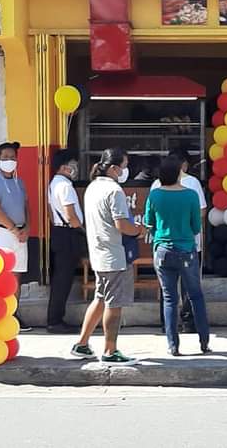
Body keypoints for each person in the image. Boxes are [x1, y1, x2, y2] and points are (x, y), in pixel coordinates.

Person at [71, 147, 143, 364]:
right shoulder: (114, 191)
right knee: (114, 303)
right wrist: (139, 229)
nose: (125, 170)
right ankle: (110, 351)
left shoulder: (93, 187)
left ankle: (82, 344)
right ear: (113, 168)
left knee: (101, 298)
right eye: (124, 166)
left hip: (99, 252)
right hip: (114, 254)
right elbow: (122, 225)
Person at [145, 155, 211, 356]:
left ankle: (173, 345)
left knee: (169, 298)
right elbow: (195, 226)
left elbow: (150, 224)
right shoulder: (190, 195)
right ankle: (203, 342)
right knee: (196, 295)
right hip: (187, 249)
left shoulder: (154, 195)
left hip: (162, 249)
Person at [0, 141, 31, 332]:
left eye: (12, 158)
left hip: (20, 233)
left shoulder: (20, 182)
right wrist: (13, 229)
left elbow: (27, 207)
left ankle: (14, 313)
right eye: (5, 158)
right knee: (1, 274)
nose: (9, 161)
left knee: (16, 275)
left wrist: (27, 228)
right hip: (2, 232)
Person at [46, 149, 85, 334]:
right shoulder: (66, 186)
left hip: (59, 232)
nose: (75, 168)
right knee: (63, 279)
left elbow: (50, 213)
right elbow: (71, 215)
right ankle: (55, 321)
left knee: (61, 278)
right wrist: (82, 230)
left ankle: (55, 319)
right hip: (69, 234)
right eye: (73, 164)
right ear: (64, 166)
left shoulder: (53, 184)